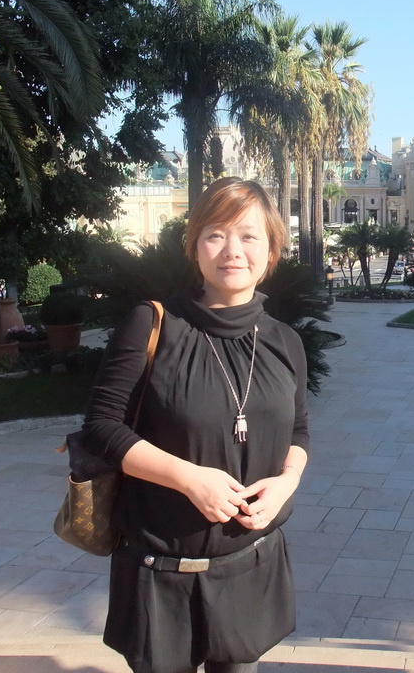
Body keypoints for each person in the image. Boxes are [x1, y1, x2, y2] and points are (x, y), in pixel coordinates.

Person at [83, 178, 309, 673]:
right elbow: (101, 427)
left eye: (249, 236)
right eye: (216, 234)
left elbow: (299, 433)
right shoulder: (151, 325)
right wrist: (189, 479)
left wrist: (286, 484)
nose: (233, 250)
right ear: (195, 246)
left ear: (271, 249)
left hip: (250, 568)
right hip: (162, 574)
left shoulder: (285, 342)